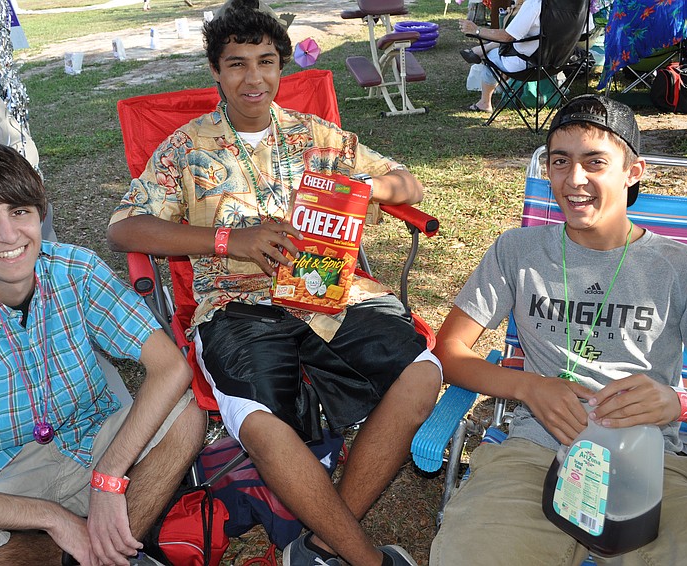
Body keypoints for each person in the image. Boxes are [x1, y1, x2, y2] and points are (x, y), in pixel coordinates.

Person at [106, 1, 442, 564]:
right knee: (261, 423)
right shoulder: (186, 148)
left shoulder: (317, 136)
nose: (253, 78)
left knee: (422, 373)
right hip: (236, 305)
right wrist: (225, 240)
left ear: (281, 66)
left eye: (265, 62)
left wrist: (358, 190)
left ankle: (322, 540)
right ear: (216, 71)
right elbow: (124, 228)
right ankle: (364, 556)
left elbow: (408, 184)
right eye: (236, 64)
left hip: (328, 291)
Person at [429, 94, 687, 565]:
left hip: (650, 465)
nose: (574, 179)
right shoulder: (518, 252)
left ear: (633, 171)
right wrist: (528, 387)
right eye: (560, 161)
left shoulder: (684, 268)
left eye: (595, 162)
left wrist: (679, 403)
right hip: (535, 456)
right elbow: (449, 350)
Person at [0, 141, 207, 566]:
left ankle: (101, 549)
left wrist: (109, 476)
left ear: (40, 214)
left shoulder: (75, 270)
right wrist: (50, 516)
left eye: (19, 211)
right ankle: (88, 551)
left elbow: (170, 368)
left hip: (93, 442)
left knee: (187, 415)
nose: (9, 235)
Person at [458, 0, 541, 113]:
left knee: (490, 55)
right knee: (502, 47)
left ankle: (484, 103)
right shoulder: (561, 5)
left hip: (529, 63)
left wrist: (477, 30)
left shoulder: (533, 4)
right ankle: (482, 50)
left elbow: (508, 36)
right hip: (556, 63)